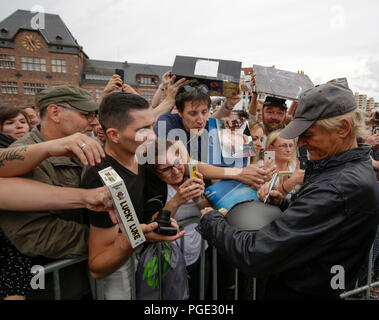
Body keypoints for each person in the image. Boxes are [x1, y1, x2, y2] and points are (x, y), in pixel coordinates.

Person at [198, 82, 379, 299]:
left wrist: (213, 221)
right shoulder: (346, 170)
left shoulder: (338, 187)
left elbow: (256, 254)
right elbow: (323, 224)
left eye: (308, 134)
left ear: (342, 128)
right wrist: (285, 204)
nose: (300, 143)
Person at [0, 85, 100, 300]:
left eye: (95, 115)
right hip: (53, 285)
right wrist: (105, 240)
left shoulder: (83, 144)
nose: (94, 122)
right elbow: (34, 232)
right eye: (86, 115)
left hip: (84, 277)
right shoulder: (21, 159)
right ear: (55, 113)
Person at [81, 92, 184, 300]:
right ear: (114, 135)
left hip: (143, 261)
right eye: (142, 130)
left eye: (152, 126)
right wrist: (138, 237)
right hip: (117, 274)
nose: (153, 136)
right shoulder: (99, 177)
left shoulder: (143, 154)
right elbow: (98, 265)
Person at [144, 139, 210, 300]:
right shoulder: (153, 187)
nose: (175, 171)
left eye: (177, 163)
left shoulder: (193, 175)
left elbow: (210, 211)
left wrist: (199, 198)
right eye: (166, 169)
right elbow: (151, 224)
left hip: (200, 254)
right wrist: (176, 201)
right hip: (168, 261)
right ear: (155, 172)